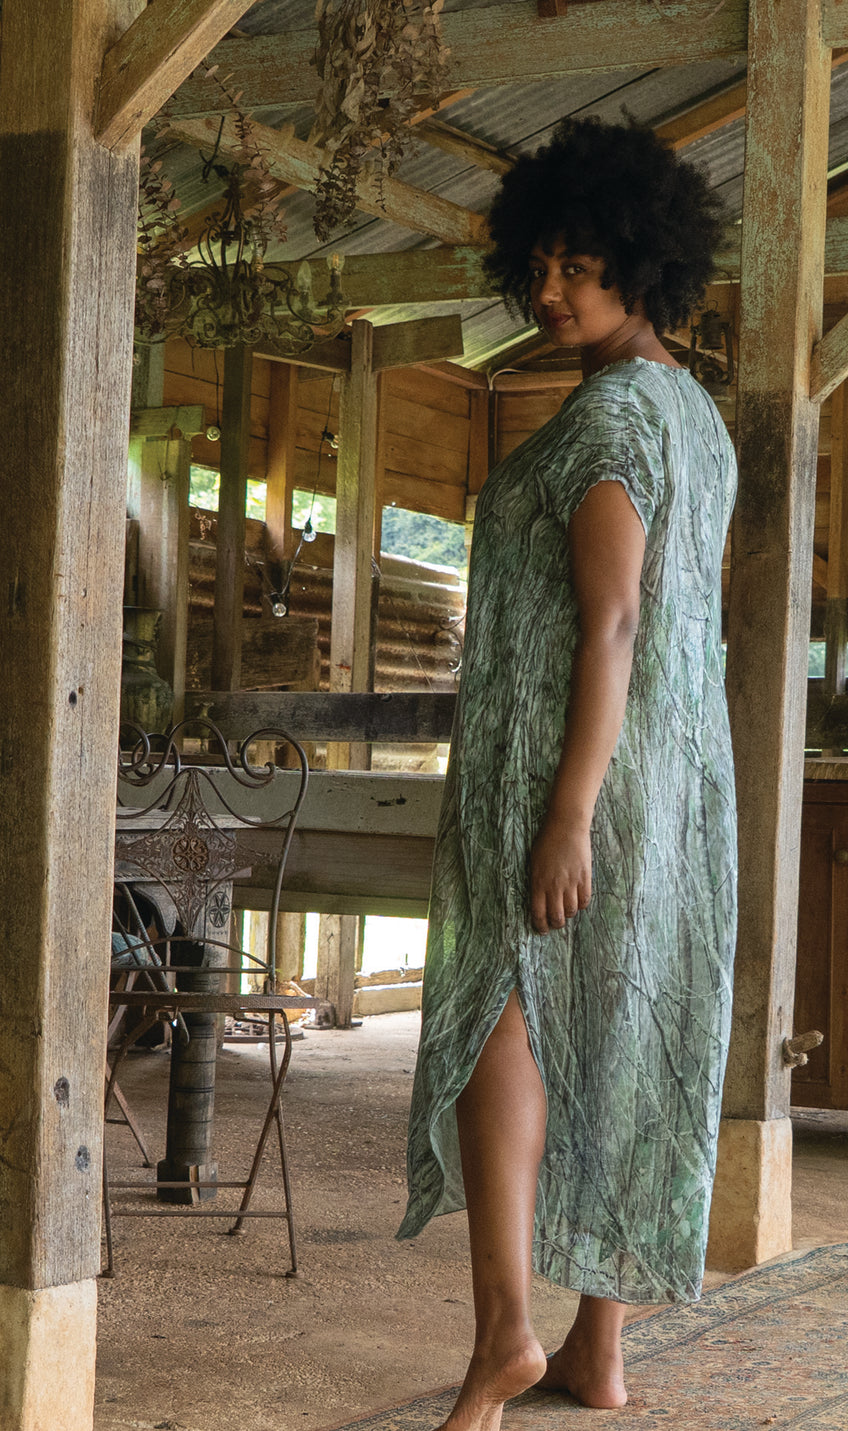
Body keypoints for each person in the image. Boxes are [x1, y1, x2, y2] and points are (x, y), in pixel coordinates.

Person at [397, 117, 738, 1429]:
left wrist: (567, 814)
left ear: (641, 267)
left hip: (569, 776)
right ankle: (600, 1352)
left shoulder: (612, 415)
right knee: (623, 1029)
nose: (549, 291)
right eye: (537, 266)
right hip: (670, 784)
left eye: (578, 266)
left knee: (502, 1019)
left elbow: (614, 622)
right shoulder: (692, 413)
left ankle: (505, 1338)